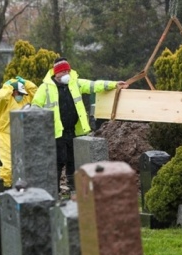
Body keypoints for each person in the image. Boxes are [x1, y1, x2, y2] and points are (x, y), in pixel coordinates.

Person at [32, 58, 129, 192]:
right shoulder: (45, 87)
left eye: (68, 70)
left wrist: (113, 84)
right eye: (64, 71)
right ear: (56, 73)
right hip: (56, 132)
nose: (67, 73)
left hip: (73, 130)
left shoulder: (75, 83)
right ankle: (54, 189)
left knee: (73, 159)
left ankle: (73, 187)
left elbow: (94, 85)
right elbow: (35, 106)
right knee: (58, 160)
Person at [0, 76, 38, 187]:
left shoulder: (25, 99)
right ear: (13, 92)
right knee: (8, 165)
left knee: (24, 163)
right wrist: (7, 86)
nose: (21, 96)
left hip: (22, 135)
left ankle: (21, 187)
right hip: (6, 135)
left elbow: (36, 93)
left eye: (23, 93)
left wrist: (26, 83)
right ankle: (6, 187)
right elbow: (1, 97)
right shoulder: (4, 102)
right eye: (19, 93)